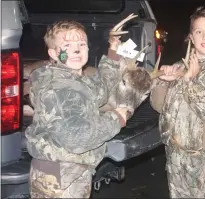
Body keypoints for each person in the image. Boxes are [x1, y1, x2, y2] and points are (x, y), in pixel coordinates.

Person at [25, 19, 129, 198]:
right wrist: (115, 119)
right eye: (67, 45)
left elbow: (100, 87)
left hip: (66, 171)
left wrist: (113, 50)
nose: (76, 49)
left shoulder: (74, 81)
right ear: (53, 53)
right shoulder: (59, 88)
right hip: (60, 177)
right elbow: (77, 138)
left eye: (82, 44)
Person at [150, 6, 205, 198]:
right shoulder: (180, 65)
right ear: (191, 37)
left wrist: (189, 80)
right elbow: (159, 106)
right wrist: (162, 82)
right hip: (176, 154)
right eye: (199, 31)